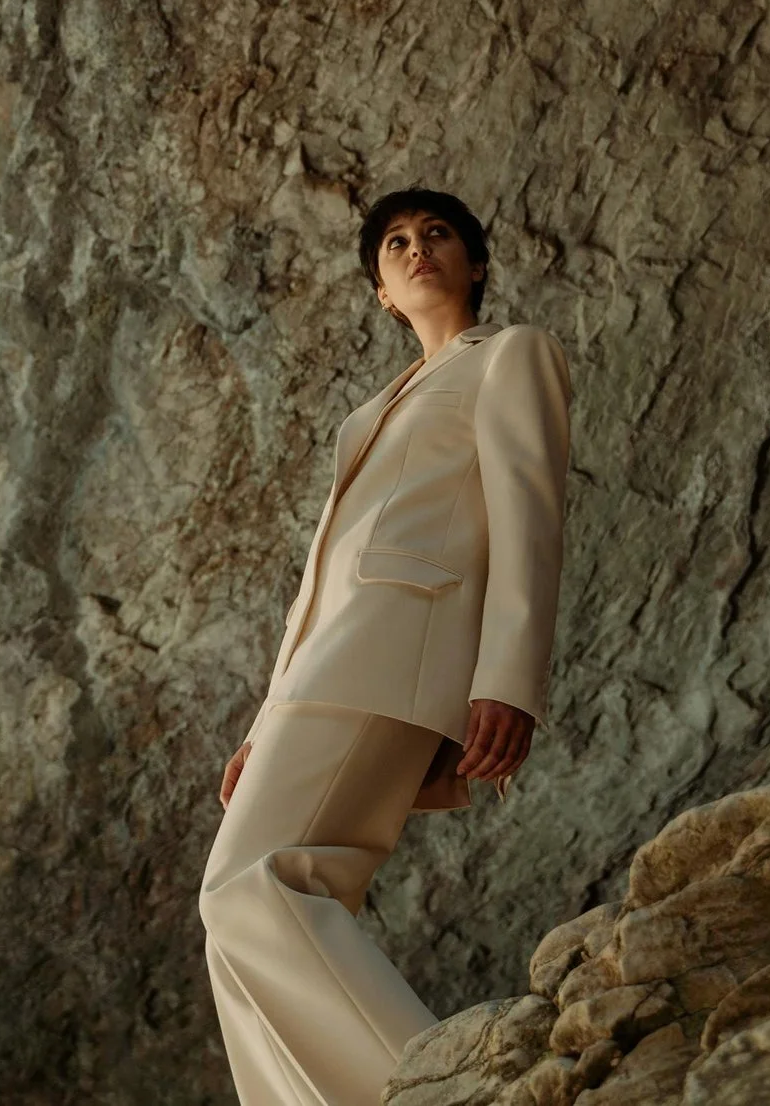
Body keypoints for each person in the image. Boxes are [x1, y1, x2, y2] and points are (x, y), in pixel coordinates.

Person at [198, 187, 573, 1106]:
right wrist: (267, 715)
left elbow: (530, 517)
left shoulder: (509, 355)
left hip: (396, 657)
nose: (417, 250)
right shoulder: (366, 416)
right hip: (325, 669)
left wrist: (508, 678)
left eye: (437, 235)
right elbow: (320, 579)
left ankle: (451, 1095)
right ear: (379, 292)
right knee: (245, 915)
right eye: (396, 243)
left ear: (474, 263)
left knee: (255, 891)